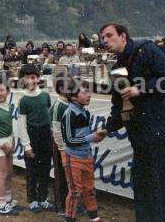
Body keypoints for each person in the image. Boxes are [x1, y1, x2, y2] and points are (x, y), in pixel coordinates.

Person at [98, 23, 165, 222]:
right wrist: (107, 128)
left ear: (123, 36)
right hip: (139, 131)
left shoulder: (147, 50)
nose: (104, 40)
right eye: (102, 37)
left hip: (160, 126)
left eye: (108, 35)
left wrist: (141, 89)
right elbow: (119, 104)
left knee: (160, 181)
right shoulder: (116, 68)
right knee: (141, 182)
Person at [61, 77, 103, 222]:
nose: (89, 95)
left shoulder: (85, 113)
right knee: (75, 192)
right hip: (73, 158)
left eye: (89, 92)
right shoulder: (68, 114)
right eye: (85, 92)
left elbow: (85, 135)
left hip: (87, 157)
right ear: (73, 96)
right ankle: (69, 218)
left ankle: (94, 217)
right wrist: (92, 137)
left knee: (89, 189)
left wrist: (97, 136)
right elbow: (69, 140)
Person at [18, 64, 54, 213]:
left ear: (38, 78)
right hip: (32, 136)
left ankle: (43, 197)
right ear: (23, 80)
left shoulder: (45, 95)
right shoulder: (24, 100)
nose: (30, 81)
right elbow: (22, 125)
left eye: (33, 77)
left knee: (45, 169)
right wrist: (27, 145)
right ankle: (32, 199)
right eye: (27, 78)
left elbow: (49, 117)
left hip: (45, 135)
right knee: (32, 171)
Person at [0, 77, 22, 216]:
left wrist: (12, 140)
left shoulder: (9, 105)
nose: (0, 93)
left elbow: (11, 125)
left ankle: (8, 200)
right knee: (2, 174)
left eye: (2, 90)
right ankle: (2, 205)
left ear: (8, 92)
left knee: (9, 172)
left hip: (8, 143)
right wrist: (2, 145)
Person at [49, 72, 70, 216]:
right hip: (60, 145)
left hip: (70, 145)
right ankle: (60, 205)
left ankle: (69, 202)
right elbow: (56, 130)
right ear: (61, 89)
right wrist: (62, 149)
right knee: (61, 175)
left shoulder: (70, 103)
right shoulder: (59, 106)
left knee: (71, 176)